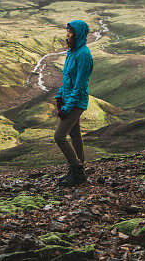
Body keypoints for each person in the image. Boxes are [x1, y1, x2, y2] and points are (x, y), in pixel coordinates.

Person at [53, 19, 93, 187]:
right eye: (67, 32)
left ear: (78, 34)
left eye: (70, 32)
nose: (67, 35)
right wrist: (59, 96)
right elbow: (66, 79)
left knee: (59, 136)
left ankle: (76, 169)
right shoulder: (72, 52)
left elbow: (80, 85)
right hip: (69, 100)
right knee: (75, 135)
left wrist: (67, 107)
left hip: (76, 102)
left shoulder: (84, 55)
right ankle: (78, 173)